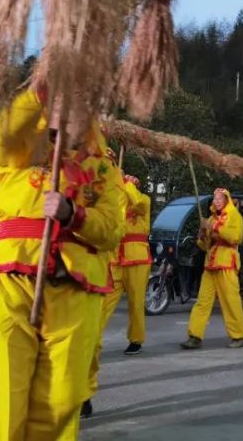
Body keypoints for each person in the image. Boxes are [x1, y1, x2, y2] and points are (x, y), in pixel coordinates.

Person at [0, 88, 125, 441]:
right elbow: (5, 130)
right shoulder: (22, 149)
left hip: (75, 287)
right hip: (10, 280)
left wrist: (74, 214)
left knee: (60, 400)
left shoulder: (103, 166)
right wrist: (40, 85)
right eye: (55, 102)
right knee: (1, 393)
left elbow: (112, 231)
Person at [81, 174, 152, 417]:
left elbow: (137, 202)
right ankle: (94, 336)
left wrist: (128, 184)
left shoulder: (143, 199)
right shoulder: (116, 198)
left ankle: (136, 339)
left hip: (137, 257)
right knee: (104, 304)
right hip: (115, 259)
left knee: (136, 303)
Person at [180, 188, 243, 349]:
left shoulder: (234, 216)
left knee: (230, 302)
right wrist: (202, 235)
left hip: (226, 263)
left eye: (220, 198)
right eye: (215, 198)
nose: (216, 201)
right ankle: (194, 336)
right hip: (210, 264)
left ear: (226, 200)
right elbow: (204, 246)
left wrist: (215, 227)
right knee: (202, 302)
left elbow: (236, 237)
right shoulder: (209, 219)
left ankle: (238, 336)